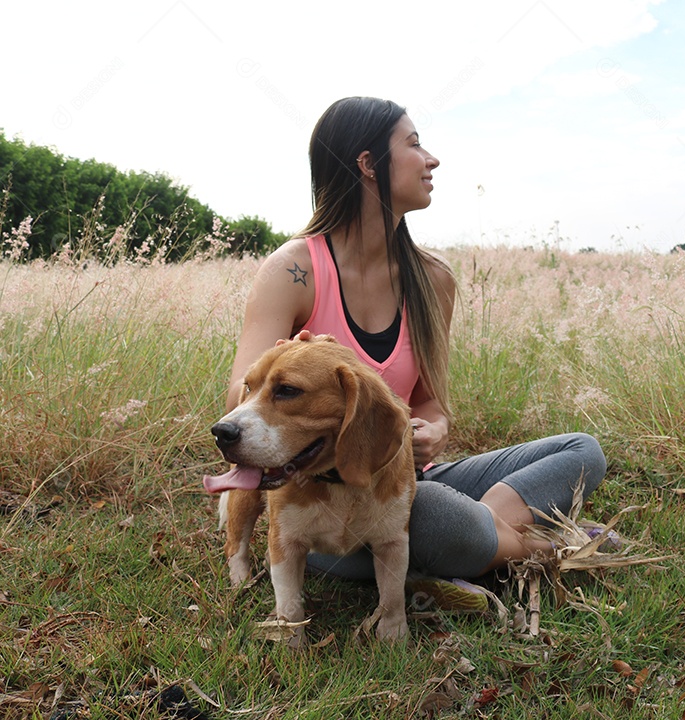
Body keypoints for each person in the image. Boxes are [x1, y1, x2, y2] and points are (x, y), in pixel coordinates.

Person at [223, 96, 606, 609]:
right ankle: (537, 545)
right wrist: (288, 365)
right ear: (367, 164)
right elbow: (238, 399)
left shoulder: (433, 279)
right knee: (433, 518)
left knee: (582, 451)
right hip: (321, 498)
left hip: (401, 479)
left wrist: (434, 430)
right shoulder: (294, 270)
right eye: (414, 144)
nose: (431, 160)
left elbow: (430, 403)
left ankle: (479, 538)